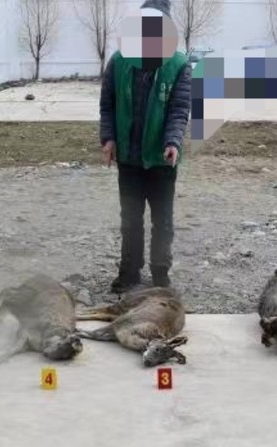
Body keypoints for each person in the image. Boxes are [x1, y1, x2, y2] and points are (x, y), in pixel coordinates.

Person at [99, 0, 192, 294]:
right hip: (129, 159)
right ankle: (129, 274)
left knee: (162, 221)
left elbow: (179, 110)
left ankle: (161, 274)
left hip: (162, 161)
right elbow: (107, 106)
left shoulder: (178, 65)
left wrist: (173, 142)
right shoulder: (118, 61)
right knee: (130, 219)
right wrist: (108, 138)